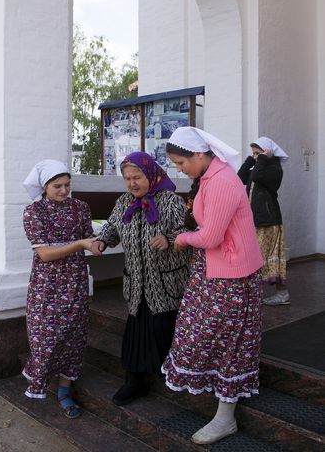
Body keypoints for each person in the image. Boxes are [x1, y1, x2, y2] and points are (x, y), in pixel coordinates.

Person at [162, 127, 264, 445]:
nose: (179, 169)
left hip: (230, 276)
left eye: (181, 162)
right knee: (208, 336)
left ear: (199, 155)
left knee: (228, 342)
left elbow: (210, 237)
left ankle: (225, 419)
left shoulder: (220, 180)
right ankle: (221, 407)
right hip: (215, 271)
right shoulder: (210, 177)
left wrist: (181, 239)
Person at [91, 151, 190, 406]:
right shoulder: (124, 202)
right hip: (136, 283)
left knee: (163, 329)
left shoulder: (170, 201)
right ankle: (134, 382)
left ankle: (172, 378)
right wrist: (103, 240)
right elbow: (112, 227)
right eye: (127, 179)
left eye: (137, 177)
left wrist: (169, 239)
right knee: (135, 333)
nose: (132, 183)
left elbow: (187, 231)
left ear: (151, 174)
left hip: (165, 283)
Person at [22, 159, 95, 419]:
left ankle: (65, 389)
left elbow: (91, 238)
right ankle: (39, 380)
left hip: (74, 281)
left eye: (67, 185)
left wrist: (100, 242)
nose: (64, 190)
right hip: (47, 285)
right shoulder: (34, 212)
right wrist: (81, 244)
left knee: (73, 338)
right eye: (57, 186)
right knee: (45, 338)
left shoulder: (80, 208)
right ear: (44, 186)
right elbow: (44, 254)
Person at [238, 137, 290, 305]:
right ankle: (257, 294)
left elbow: (258, 176)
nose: (255, 156)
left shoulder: (275, 170)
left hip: (268, 220)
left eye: (258, 153)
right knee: (257, 256)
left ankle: (280, 294)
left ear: (269, 152)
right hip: (256, 220)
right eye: (253, 153)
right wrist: (249, 160)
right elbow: (240, 178)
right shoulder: (258, 167)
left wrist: (261, 159)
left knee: (264, 256)